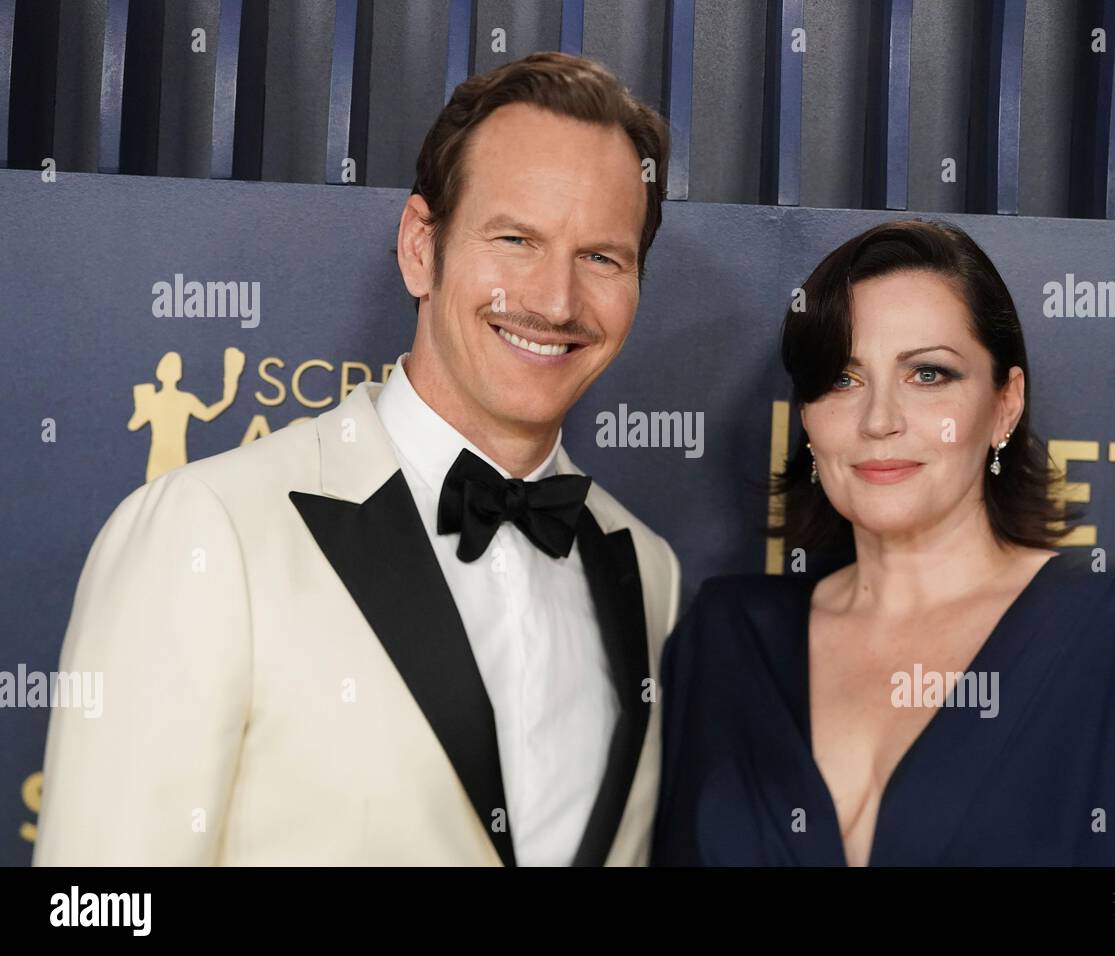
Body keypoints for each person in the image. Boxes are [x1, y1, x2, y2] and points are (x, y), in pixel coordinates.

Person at [35, 52, 681, 867]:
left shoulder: (648, 574)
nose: (555, 301)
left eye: (602, 257)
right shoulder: (209, 533)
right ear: (421, 246)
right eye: (516, 238)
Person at [651, 218, 1115, 866]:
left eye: (928, 375)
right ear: (808, 417)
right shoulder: (729, 636)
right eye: (843, 379)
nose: (879, 420)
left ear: (1004, 405)